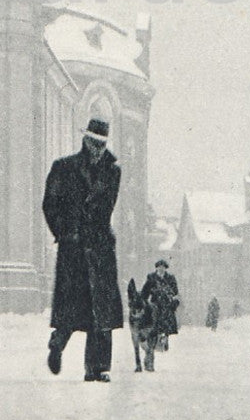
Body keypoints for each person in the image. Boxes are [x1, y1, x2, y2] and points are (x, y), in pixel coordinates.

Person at [42, 118, 124, 382]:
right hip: (73, 245)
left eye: (102, 144)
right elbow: (50, 205)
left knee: (101, 309)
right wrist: (64, 232)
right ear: (84, 141)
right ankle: (58, 343)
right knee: (71, 304)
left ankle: (98, 367)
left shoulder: (113, 171)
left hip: (99, 245)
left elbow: (106, 206)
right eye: (93, 142)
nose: (97, 148)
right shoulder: (63, 168)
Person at [141, 259, 180, 351]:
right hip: (155, 303)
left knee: (166, 324)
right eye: (159, 267)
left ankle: (165, 340)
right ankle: (154, 341)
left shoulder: (170, 278)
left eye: (163, 267)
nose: (161, 269)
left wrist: (174, 302)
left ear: (165, 268)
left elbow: (175, 292)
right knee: (154, 322)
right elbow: (145, 291)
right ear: (157, 268)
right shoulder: (151, 277)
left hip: (167, 304)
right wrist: (144, 301)